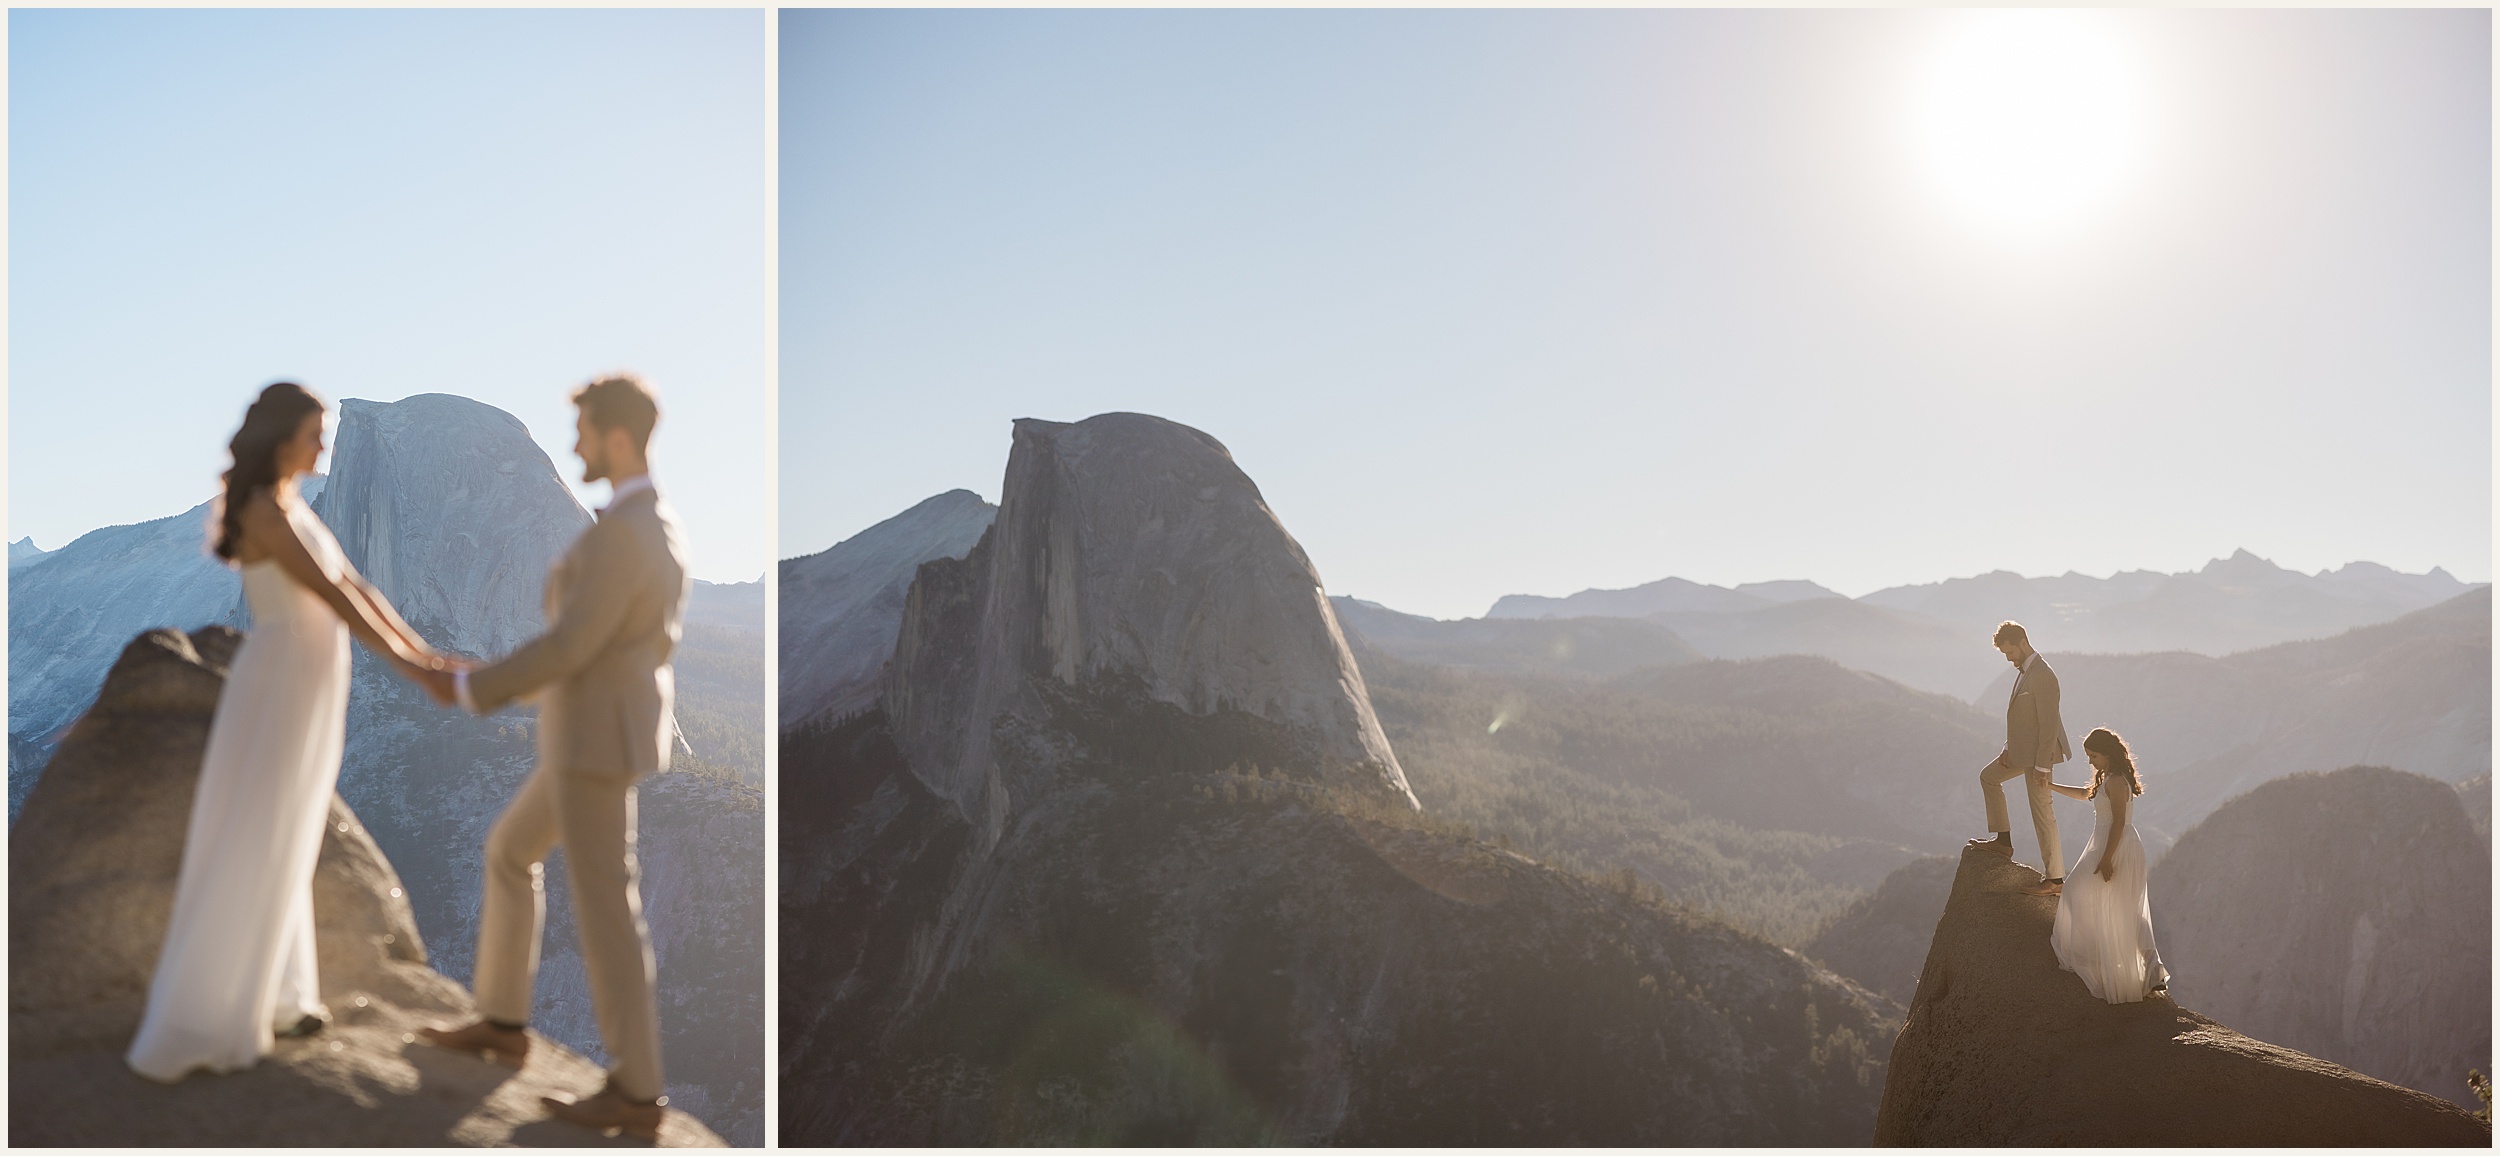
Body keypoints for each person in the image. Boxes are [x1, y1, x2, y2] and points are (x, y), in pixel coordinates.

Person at [127, 382, 456, 1083]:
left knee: (292, 828)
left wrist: (423, 656)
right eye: (314, 431)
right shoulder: (262, 512)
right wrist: (411, 669)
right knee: (261, 828)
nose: (324, 444)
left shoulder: (291, 507)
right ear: (283, 438)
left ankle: (282, 995)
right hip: (281, 680)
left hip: (310, 679)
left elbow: (359, 587)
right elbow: (332, 594)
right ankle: (215, 1011)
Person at [411, 374, 689, 1140]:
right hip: (590, 738)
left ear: (619, 438)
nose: (576, 447)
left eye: (586, 432)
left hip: (595, 745)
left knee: (606, 910)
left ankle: (636, 1093)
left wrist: (470, 688)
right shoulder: (646, 527)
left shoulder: (629, 534)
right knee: (508, 852)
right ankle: (501, 1022)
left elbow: (572, 645)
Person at [2045, 727, 2171, 1004]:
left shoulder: (2115, 781)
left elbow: (2118, 822)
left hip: (2114, 846)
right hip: (2108, 844)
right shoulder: (2110, 777)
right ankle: (2146, 969)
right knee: (2115, 904)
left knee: (2083, 894)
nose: (2090, 761)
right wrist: (2051, 786)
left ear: (2107, 754)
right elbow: (2085, 794)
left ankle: (2137, 966)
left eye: (2094, 756)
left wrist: (2106, 858)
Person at [1966, 620, 2072, 896]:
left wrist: (2042, 766)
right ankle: (2003, 841)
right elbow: (2023, 720)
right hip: (2019, 751)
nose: (2009, 658)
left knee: (2042, 814)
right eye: (2005, 654)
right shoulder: (2025, 671)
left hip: (2039, 756)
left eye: (2010, 652)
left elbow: (2048, 725)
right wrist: (2008, 747)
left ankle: (2056, 880)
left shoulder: (2044, 675)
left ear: (2023, 643)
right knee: (1989, 777)